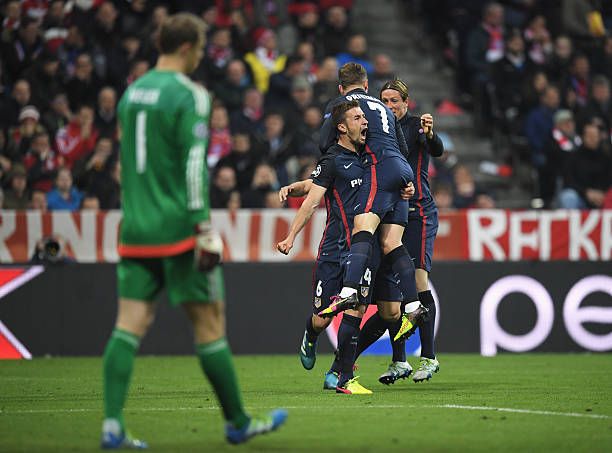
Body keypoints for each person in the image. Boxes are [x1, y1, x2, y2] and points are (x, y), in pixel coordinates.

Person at [101, 13, 286, 450]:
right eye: (200, 49)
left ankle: (112, 424)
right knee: (209, 323)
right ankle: (238, 422)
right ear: (186, 47)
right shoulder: (191, 95)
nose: (201, 57)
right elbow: (193, 167)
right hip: (179, 230)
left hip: (136, 228)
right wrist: (203, 226)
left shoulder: (131, 94)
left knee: (127, 326)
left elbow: (127, 165)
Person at [277, 100, 423, 393]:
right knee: (322, 319)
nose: (365, 122)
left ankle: (342, 376)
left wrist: (406, 188)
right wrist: (291, 236)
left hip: (363, 250)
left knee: (356, 310)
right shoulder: (332, 160)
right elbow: (313, 197)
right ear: (342, 128)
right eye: (357, 118)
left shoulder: (372, 159)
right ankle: (310, 333)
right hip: (334, 249)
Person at [317, 63, 422, 344]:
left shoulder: (343, 104)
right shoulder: (383, 107)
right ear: (366, 85)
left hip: (379, 169)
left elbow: (324, 143)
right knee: (391, 242)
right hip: (401, 170)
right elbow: (404, 148)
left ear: (342, 88)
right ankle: (413, 304)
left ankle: (349, 290)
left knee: (361, 226)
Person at [378, 79, 443, 382]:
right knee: (394, 289)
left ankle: (428, 358)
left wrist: (430, 134)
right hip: (390, 214)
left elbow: (436, 149)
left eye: (395, 100)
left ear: (406, 102)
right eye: (385, 100)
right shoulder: (377, 129)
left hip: (418, 213)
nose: (390, 106)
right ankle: (399, 360)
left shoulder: (418, 126)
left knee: (417, 283)